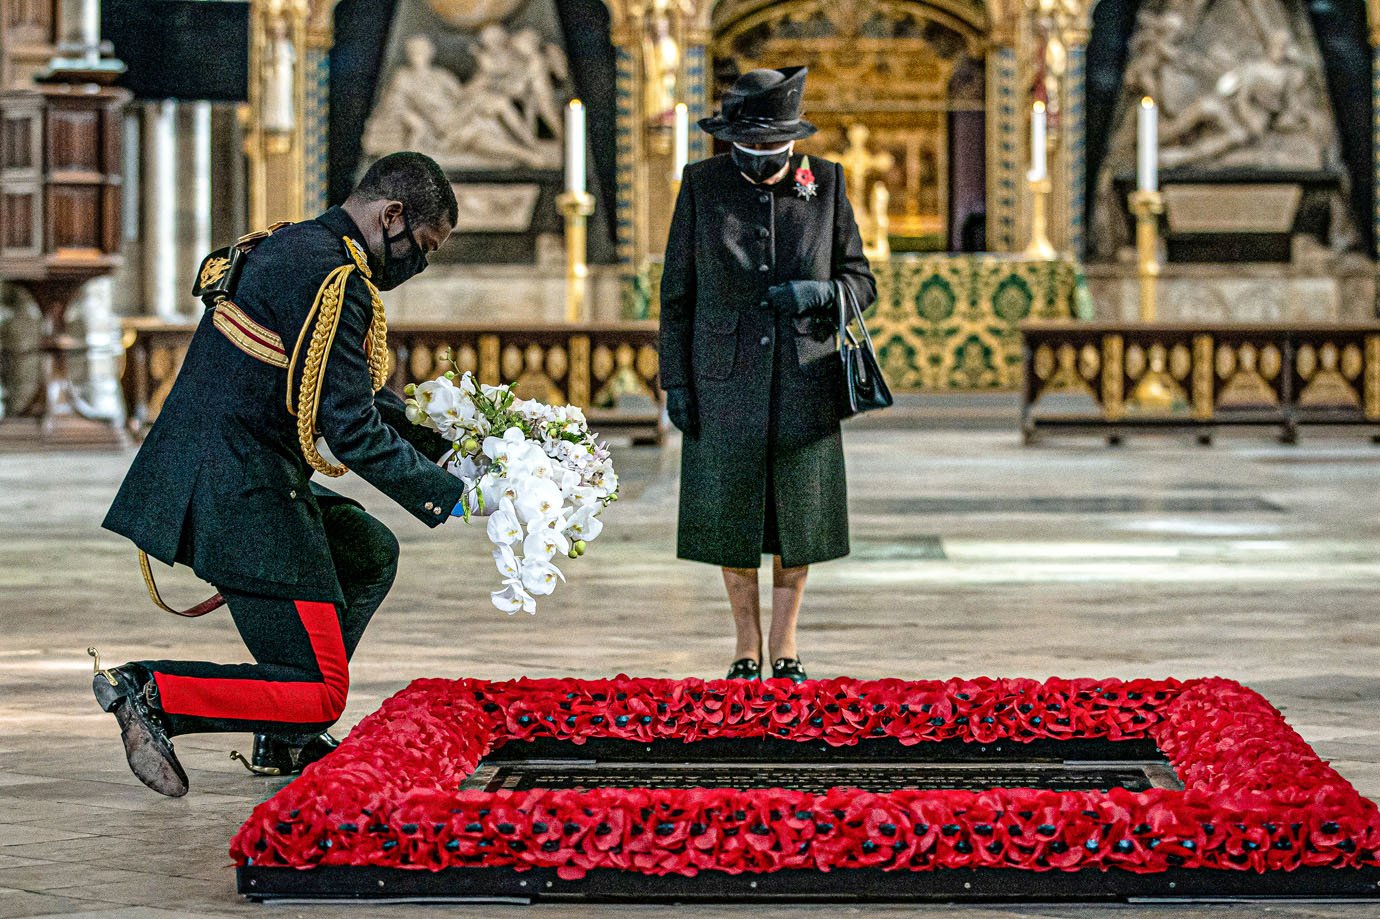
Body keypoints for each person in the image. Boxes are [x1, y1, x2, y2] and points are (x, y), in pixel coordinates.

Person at [93, 152, 467, 796]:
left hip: (218, 465)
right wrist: (454, 496)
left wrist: (447, 450)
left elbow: (347, 390)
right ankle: (148, 690)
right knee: (321, 692)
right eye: (423, 247)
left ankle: (282, 734)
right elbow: (350, 429)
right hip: (236, 484)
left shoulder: (293, 245)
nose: (419, 263)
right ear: (393, 215)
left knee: (368, 551)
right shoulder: (337, 279)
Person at [659, 67, 875, 683]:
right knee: (731, 519)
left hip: (805, 378)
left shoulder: (826, 182)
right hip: (722, 380)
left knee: (797, 521)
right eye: (749, 148)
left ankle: (786, 645)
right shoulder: (701, 185)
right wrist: (676, 382)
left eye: (772, 148)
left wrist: (820, 293)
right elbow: (677, 294)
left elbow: (861, 280)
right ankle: (744, 646)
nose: (761, 159)